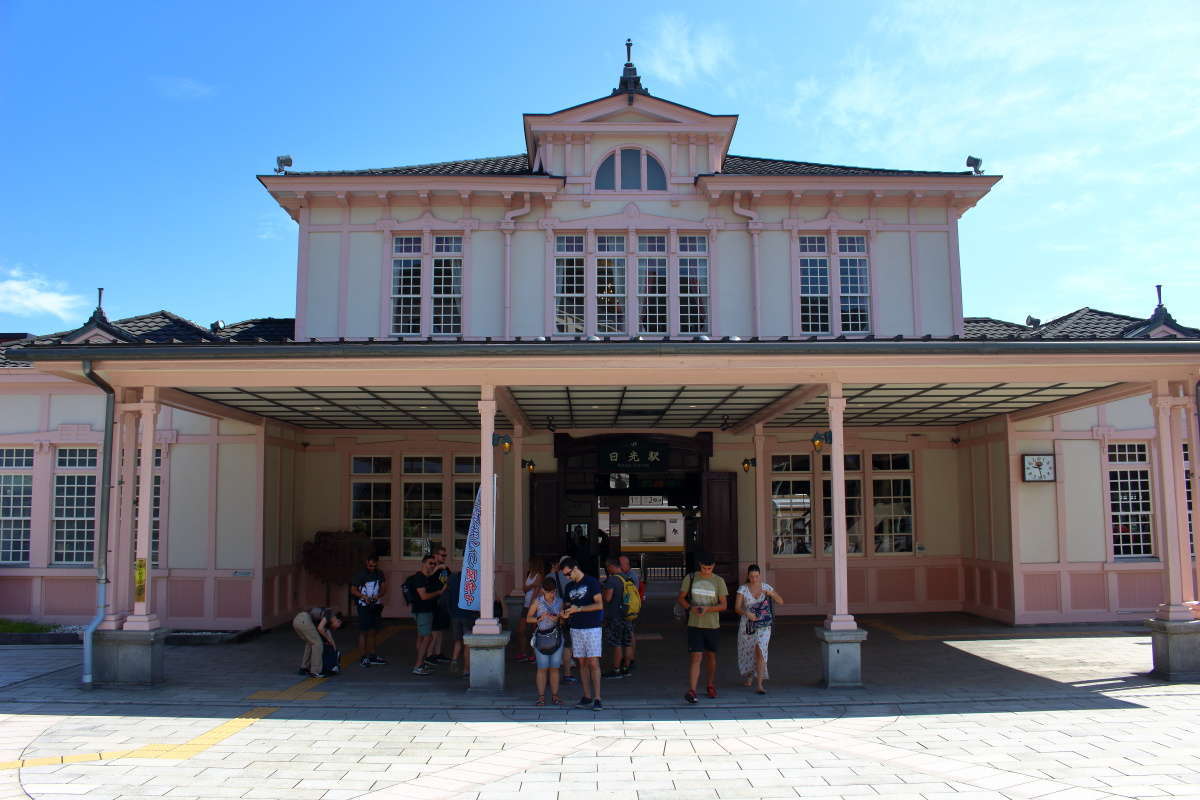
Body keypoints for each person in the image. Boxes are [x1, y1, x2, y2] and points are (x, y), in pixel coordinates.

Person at [676, 552, 728, 704]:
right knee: (696, 656)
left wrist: (707, 610)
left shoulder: (719, 581)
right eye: (704, 568)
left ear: (714, 567)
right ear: (700, 566)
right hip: (695, 624)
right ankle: (692, 690)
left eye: (709, 568)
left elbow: (724, 605)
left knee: (711, 656)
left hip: (712, 625)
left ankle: (710, 684)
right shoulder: (691, 578)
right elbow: (681, 598)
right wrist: (690, 608)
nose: (707, 571)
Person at [559, 557, 604, 709]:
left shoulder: (591, 582)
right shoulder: (569, 587)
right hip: (576, 627)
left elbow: (599, 604)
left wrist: (580, 609)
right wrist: (565, 614)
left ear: (576, 568)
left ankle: (597, 698)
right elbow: (566, 606)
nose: (567, 577)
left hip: (592, 626)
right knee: (581, 663)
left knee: (593, 661)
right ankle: (586, 696)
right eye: (565, 575)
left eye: (568, 573)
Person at [734, 564, 784, 694]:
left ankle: (760, 684)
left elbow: (781, 601)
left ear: (760, 575)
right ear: (748, 576)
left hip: (764, 625)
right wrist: (747, 613)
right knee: (750, 651)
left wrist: (770, 594)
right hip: (748, 625)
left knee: (761, 650)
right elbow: (737, 608)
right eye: (751, 576)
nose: (754, 579)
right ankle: (750, 675)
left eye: (756, 576)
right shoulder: (743, 589)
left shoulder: (766, 587)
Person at [526, 576, 564, 706]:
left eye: (553, 591)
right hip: (541, 637)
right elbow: (528, 618)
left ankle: (555, 696)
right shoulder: (538, 601)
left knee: (555, 668)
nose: (551, 594)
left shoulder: (559, 601)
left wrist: (558, 618)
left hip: (556, 636)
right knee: (542, 668)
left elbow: (562, 619)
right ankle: (541, 697)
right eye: (548, 592)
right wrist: (539, 618)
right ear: (543, 590)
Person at [350, 554, 388, 667]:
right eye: (370, 566)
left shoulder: (379, 573)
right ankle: (363, 657)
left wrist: (379, 595)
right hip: (363, 605)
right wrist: (363, 597)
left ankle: (372, 655)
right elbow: (353, 589)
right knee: (363, 631)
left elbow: (384, 587)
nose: (372, 568)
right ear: (366, 563)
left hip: (375, 605)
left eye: (374, 566)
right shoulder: (360, 574)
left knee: (373, 631)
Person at [410, 555, 444, 675]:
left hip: (423, 611)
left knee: (422, 636)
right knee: (427, 637)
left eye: (434, 564)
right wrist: (438, 592)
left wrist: (438, 568)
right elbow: (423, 596)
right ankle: (418, 665)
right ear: (423, 563)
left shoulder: (425, 577)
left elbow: (430, 575)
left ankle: (421, 663)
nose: (432, 565)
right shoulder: (420, 578)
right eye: (430, 563)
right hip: (423, 611)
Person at [601, 558, 634, 679]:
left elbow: (608, 598)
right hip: (627, 615)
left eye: (607, 567)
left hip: (615, 616)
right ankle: (626, 668)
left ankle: (616, 669)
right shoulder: (627, 578)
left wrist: (603, 592)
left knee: (617, 643)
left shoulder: (613, 580)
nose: (607, 570)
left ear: (611, 566)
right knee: (627, 642)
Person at [446, 568, 479, 678]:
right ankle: (466, 669)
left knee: (457, 641)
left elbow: (448, 597)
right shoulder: (471, 581)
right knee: (467, 643)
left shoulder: (453, 578)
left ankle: (454, 659)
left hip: (455, 614)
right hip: (467, 615)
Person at [292, 606, 343, 678]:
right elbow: (320, 628)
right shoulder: (330, 614)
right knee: (318, 644)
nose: (336, 628)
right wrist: (328, 639)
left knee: (310, 643)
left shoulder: (327, 617)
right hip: (304, 620)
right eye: (338, 626)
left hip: (297, 620)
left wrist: (334, 647)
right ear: (338, 621)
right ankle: (315, 671)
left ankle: (304, 668)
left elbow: (328, 634)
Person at [551, 555, 577, 685]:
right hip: (568, 615)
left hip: (551, 616)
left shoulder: (550, 577)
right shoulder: (573, 580)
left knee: (552, 645)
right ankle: (567, 674)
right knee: (567, 645)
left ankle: (551, 675)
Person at [515, 558, 544, 663]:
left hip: (534, 607)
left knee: (534, 631)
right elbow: (524, 589)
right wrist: (531, 585)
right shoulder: (529, 574)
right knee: (521, 630)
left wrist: (532, 605)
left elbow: (536, 592)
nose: (529, 565)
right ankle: (523, 652)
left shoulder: (539, 575)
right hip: (526, 605)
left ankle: (534, 654)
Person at [427, 546, 452, 664]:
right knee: (434, 630)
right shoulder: (431, 565)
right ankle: (429, 654)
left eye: (445, 555)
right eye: (442, 555)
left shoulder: (445, 569)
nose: (444, 558)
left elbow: (450, 580)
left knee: (441, 629)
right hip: (433, 601)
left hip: (444, 601)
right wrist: (437, 568)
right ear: (436, 555)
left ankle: (438, 653)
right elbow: (426, 577)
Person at [618, 555, 642, 671]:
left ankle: (630, 659)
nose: (619, 566)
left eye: (621, 564)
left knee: (629, 634)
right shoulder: (628, 575)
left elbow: (628, 594)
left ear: (627, 565)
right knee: (629, 633)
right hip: (630, 609)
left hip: (630, 610)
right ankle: (629, 658)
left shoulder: (630, 576)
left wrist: (625, 607)